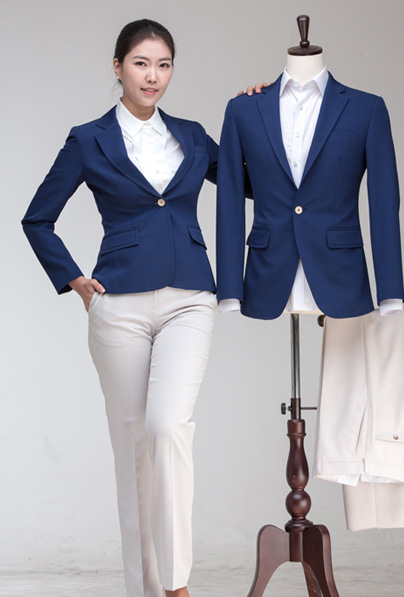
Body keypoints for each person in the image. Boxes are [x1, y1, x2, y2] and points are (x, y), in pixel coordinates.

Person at [22, 18, 259, 597]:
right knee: (134, 455)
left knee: (166, 427)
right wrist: (73, 279)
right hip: (119, 306)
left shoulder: (193, 136)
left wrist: (255, 115)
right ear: (118, 67)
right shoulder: (88, 139)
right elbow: (38, 218)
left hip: (189, 298)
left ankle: (176, 585)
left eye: (164, 65)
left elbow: (251, 184)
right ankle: (147, 592)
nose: (153, 76)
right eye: (141, 63)